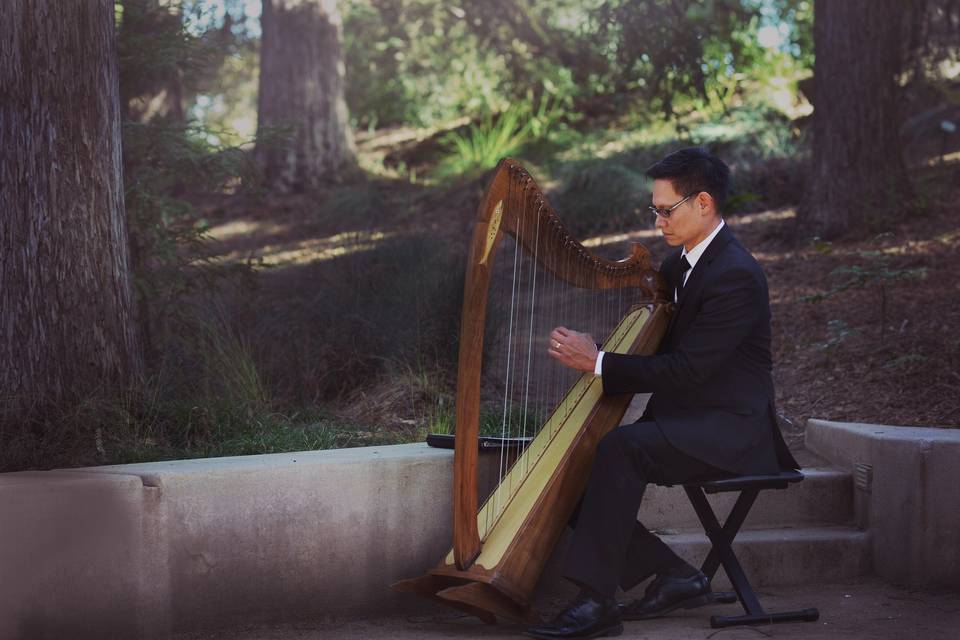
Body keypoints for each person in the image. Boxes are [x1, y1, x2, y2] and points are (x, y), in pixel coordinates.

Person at [526, 147, 799, 640]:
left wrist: (600, 362)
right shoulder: (682, 264)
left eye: (666, 210)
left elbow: (690, 370)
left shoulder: (735, 274)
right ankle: (676, 575)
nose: (657, 221)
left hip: (731, 430)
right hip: (688, 420)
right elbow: (658, 325)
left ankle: (596, 601)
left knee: (620, 449)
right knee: (574, 465)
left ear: (704, 203)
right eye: (653, 209)